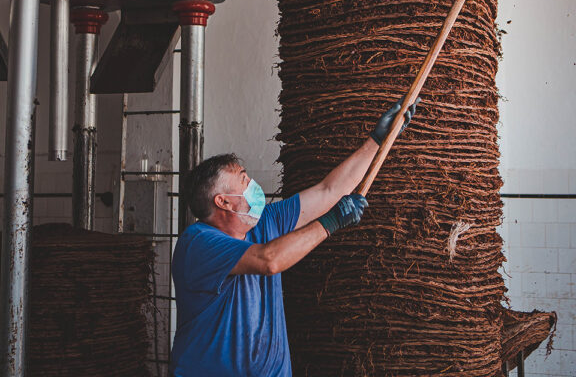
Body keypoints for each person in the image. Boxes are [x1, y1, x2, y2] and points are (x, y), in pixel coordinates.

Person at [170, 99, 419, 376]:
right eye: (243, 180)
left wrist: (377, 140)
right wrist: (330, 222)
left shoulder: (265, 223)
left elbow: (329, 191)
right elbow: (268, 260)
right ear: (224, 202)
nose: (252, 185)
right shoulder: (197, 243)